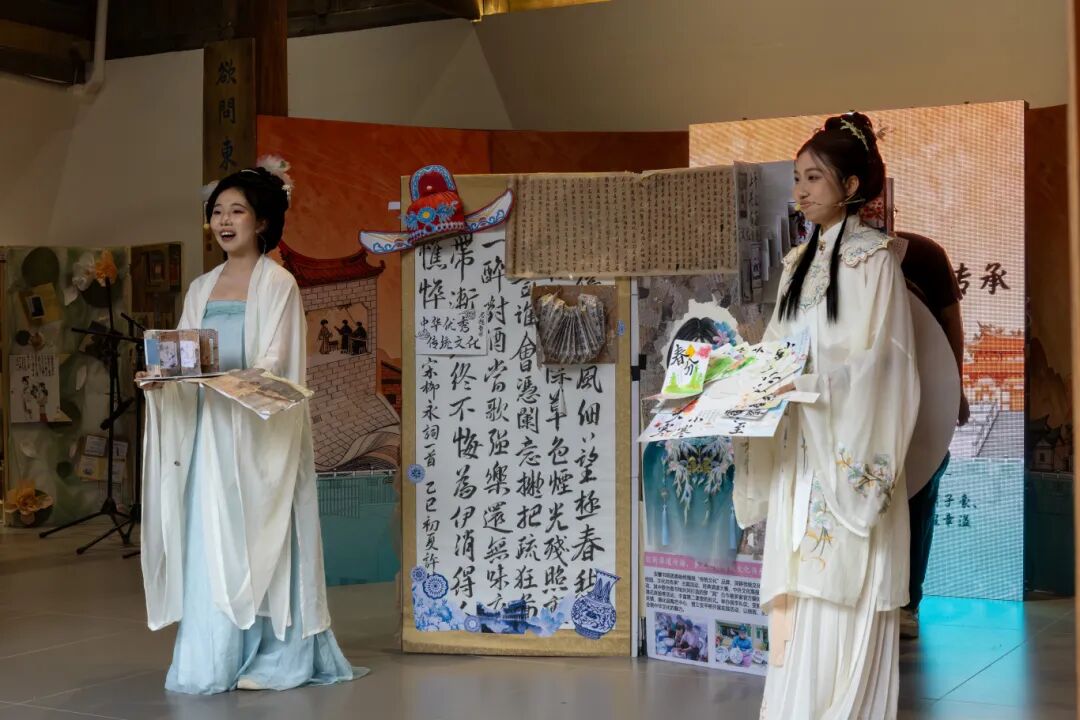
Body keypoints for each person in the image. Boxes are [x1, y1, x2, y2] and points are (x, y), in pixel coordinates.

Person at [137, 166, 365, 694]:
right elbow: (184, 355)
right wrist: (161, 378)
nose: (224, 221)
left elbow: (274, 363)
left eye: (237, 211)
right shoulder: (201, 287)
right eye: (217, 212)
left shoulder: (278, 283)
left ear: (261, 222)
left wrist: (217, 380)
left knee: (267, 537)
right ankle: (211, 660)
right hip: (210, 435)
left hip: (259, 435)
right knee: (211, 540)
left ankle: (279, 657)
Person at [733, 112, 919, 719]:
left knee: (840, 590)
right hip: (800, 453)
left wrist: (811, 384)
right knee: (800, 586)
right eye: (797, 178)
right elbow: (778, 351)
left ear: (852, 186)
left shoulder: (875, 261)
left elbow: (885, 366)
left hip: (844, 453)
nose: (801, 191)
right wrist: (735, 380)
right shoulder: (796, 265)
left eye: (814, 177)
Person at [895, 231, 969, 639]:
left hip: (925, 395)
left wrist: (954, 389)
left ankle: (908, 602)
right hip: (865, 400)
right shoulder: (832, 251)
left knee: (919, 495)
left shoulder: (924, 254)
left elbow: (950, 322)